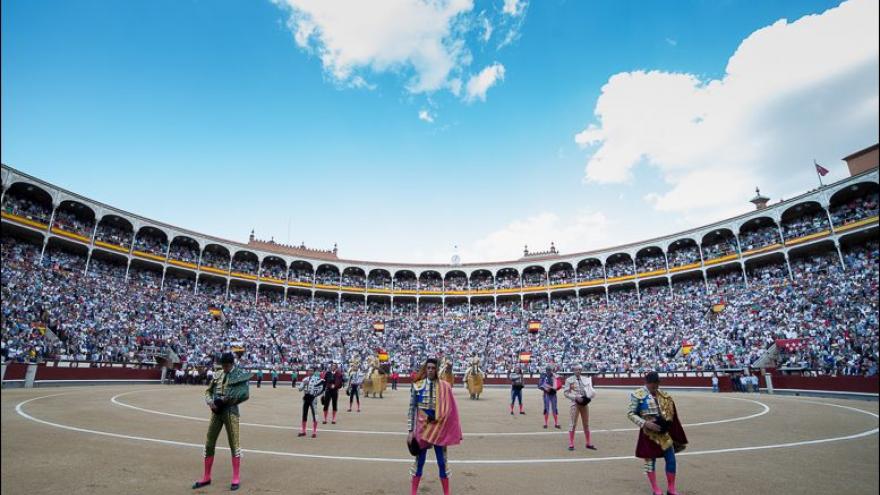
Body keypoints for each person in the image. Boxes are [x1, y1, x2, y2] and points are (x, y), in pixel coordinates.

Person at [192, 352, 250, 491]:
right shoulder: (218, 374)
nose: (224, 368)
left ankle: (236, 477)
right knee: (209, 442)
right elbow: (208, 391)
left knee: (234, 444)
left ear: (231, 364)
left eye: (227, 365)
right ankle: (206, 476)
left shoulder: (239, 375)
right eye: (223, 365)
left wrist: (229, 399)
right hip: (216, 412)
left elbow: (245, 394)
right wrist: (210, 402)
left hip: (231, 412)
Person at [627, 372, 688, 495]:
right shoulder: (637, 395)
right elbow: (630, 413)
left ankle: (671, 489)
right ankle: (656, 489)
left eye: (657, 384)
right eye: (654, 384)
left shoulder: (663, 395)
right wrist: (645, 423)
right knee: (650, 462)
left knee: (671, 460)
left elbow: (671, 413)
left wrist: (668, 423)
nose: (656, 387)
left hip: (664, 433)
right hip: (648, 434)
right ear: (648, 383)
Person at [407, 358, 462, 495]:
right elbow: (412, 409)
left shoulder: (443, 386)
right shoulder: (417, 385)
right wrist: (410, 431)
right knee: (419, 462)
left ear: (437, 369)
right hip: (422, 428)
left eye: (433, 368)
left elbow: (448, 405)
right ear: (425, 369)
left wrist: (448, 368)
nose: (430, 370)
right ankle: (413, 492)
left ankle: (446, 493)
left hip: (439, 428)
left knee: (442, 463)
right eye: (428, 368)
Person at [563, 363, 596, 451]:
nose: (578, 371)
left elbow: (589, 390)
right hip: (575, 404)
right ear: (573, 370)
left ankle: (588, 443)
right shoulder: (569, 380)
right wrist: (575, 397)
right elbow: (566, 393)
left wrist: (590, 394)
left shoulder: (586, 379)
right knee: (573, 424)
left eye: (580, 369)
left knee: (586, 424)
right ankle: (571, 443)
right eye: (577, 369)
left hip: (584, 403)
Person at [297, 365, 325, 438]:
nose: (310, 372)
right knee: (304, 414)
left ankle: (314, 432)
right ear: (307, 372)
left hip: (313, 398)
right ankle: (303, 431)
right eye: (309, 371)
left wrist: (320, 395)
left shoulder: (317, 379)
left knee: (315, 414)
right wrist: (304, 384)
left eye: (311, 371)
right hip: (306, 398)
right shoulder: (305, 379)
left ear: (314, 372)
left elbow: (322, 388)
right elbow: (299, 389)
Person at [538, 365, 560, 429]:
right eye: (547, 370)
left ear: (551, 370)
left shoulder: (555, 376)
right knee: (546, 409)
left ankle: (556, 423)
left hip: (553, 394)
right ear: (546, 370)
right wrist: (545, 389)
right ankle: (545, 423)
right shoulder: (544, 376)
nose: (549, 371)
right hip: (546, 394)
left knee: (554, 408)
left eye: (550, 370)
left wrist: (554, 388)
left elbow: (558, 384)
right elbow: (539, 385)